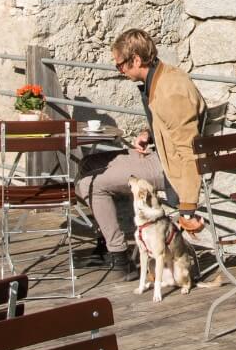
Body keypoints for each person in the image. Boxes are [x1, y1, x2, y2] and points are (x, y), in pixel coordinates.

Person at [76, 29, 207, 269]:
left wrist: (187, 208)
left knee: (88, 183)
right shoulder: (163, 77)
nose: (120, 71)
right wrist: (149, 134)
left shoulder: (170, 91)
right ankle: (106, 240)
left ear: (136, 59)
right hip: (162, 154)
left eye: (121, 66)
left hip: (170, 166)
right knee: (87, 164)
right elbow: (171, 125)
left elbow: (190, 153)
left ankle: (118, 256)